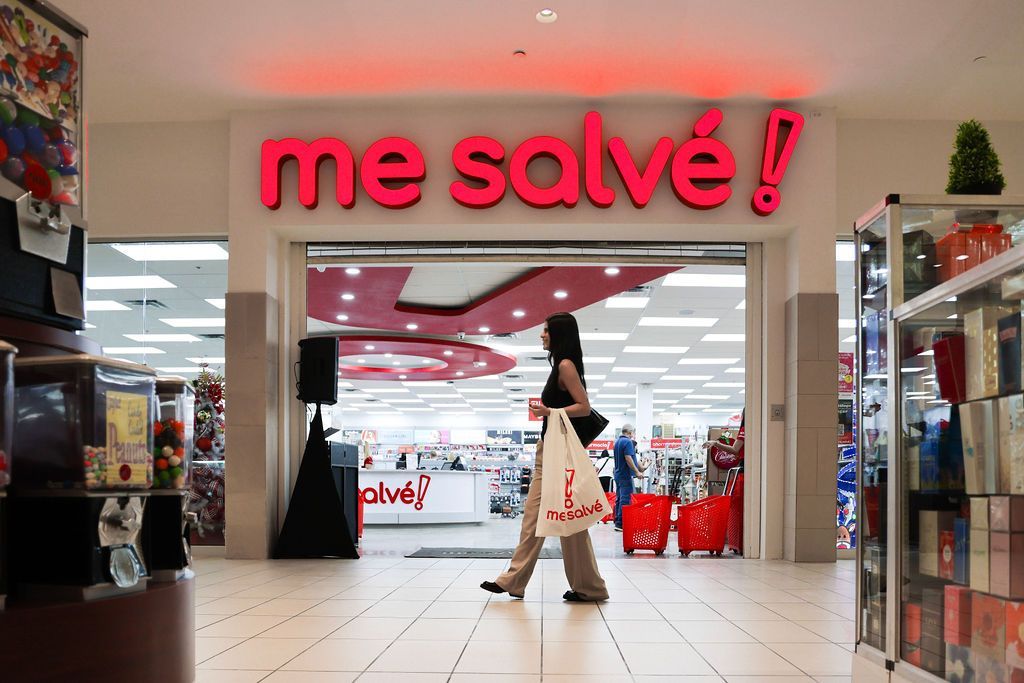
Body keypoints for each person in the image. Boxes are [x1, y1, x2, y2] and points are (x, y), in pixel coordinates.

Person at [480, 312, 609, 602]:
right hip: (550, 450)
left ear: (559, 334)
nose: (542, 335)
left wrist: (551, 412)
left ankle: (589, 587)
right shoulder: (560, 365)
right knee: (544, 518)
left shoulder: (565, 366)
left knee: (565, 521)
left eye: (546, 330)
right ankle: (521, 581)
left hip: (558, 454)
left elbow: (585, 407)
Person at [612, 424, 645, 531]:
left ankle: (617, 520)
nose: (633, 435)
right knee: (625, 499)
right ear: (630, 432)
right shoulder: (627, 442)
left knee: (619, 498)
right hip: (625, 474)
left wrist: (641, 468)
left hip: (618, 474)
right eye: (633, 433)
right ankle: (621, 523)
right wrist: (637, 472)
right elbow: (628, 458)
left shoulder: (617, 442)